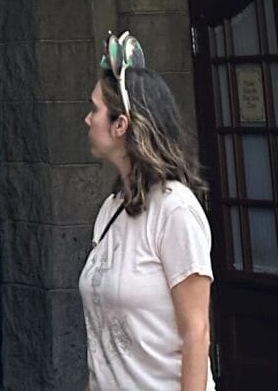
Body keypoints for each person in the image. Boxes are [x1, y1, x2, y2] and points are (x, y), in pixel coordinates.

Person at [80, 34, 213, 391]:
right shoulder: (111, 208)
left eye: (95, 110)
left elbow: (196, 333)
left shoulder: (175, 210)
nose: (87, 118)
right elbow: (101, 346)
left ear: (120, 125)